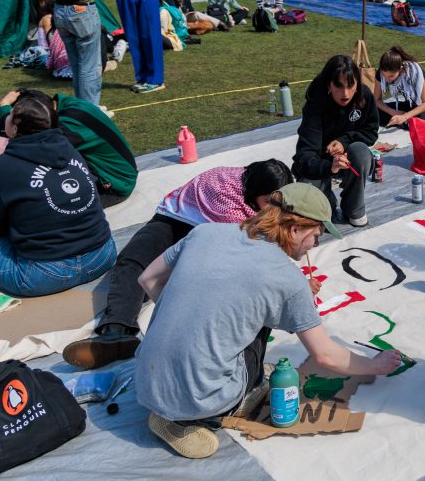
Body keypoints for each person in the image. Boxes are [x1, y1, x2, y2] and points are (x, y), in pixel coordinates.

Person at [135, 182, 402, 459]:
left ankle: (178, 402)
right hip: (201, 395)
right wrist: (373, 365)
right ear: (294, 230)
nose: (317, 244)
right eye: (316, 235)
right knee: (261, 319)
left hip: (145, 377)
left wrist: (185, 313)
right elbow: (324, 354)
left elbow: (148, 279)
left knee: (245, 306)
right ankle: (194, 416)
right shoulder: (286, 278)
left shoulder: (205, 231)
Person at [62, 159, 293, 369]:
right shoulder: (221, 185)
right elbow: (243, 240)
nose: (269, 210)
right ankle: (116, 333)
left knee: (208, 279)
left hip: (211, 236)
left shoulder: (268, 200)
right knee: (134, 261)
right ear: (254, 191)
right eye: (266, 202)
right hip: (177, 221)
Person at [0, 90, 117, 296]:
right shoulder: (71, 150)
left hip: (44, 274)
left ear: (15, 127)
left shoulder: (0, 167)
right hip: (102, 255)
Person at [0, 88, 137, 205]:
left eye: (13, 118)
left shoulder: (70, 122)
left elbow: (34, 147)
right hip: (112, 172)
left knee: (37, 202)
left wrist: (4, 109)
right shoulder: (68, 105)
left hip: (115, 184)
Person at [292, 55, 378, 228]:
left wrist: (344, 142)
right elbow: (305, 156)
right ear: (329, 85)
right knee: (317, 218)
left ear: (357, 84)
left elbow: (371, 132)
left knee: (361, 152)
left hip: (348, 159)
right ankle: (328, 204)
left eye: (350, 86)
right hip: (319, 163)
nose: (345, 93)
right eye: (338, 86)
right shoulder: (315, 105)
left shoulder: (364, 96)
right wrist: (330, 166)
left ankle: (354, 208)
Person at [375, 46, 425, 127]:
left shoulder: (414, 72)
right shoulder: (380, 73)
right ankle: (404, 122)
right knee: (373, 111)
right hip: (411, 104)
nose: (387, 79)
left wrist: (404, 116)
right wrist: (392, 112)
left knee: (420, 122)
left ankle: (405, 122)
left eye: (391, 76)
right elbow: (377, 100)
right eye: (384, 75)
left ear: (401, 69)